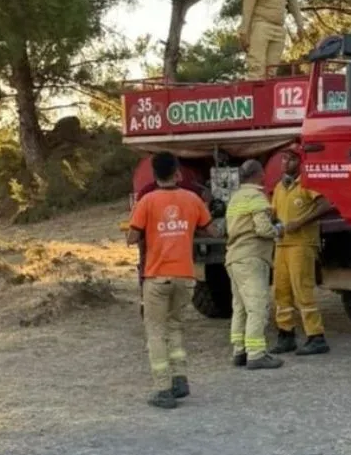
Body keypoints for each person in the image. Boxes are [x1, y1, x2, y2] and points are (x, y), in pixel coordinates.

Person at [127, 151, 214, 408]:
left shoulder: (147, 201)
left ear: (154, 175)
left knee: (155, 331)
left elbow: (132, 238)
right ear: (177, 172)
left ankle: (162, 388)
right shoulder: (192, 199)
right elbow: (211, 229)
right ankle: (180, 379)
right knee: (175, 326)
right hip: (185, 276)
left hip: (157, 277)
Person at [269, 149, 333, 355]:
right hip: (282, 245)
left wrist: (301, 222)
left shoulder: (307, 183)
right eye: (284, 158)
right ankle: (285, 335)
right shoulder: (279, 187)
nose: (285, 162)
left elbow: (325, 205)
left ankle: (316, 336)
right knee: (281, 291)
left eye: (291, 158)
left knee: (302, 289)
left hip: (302, 244)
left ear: (300, 162)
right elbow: (274, 213)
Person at [225, 159, 284, 369]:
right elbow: (263, 229)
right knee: (257, 306)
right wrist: (279, 229)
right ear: (259, 175)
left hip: (234, 257)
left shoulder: (236, 197)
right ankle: (256, 354)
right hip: (252, 256)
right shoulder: (256, 197)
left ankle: (239, 351)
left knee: (239, 307)